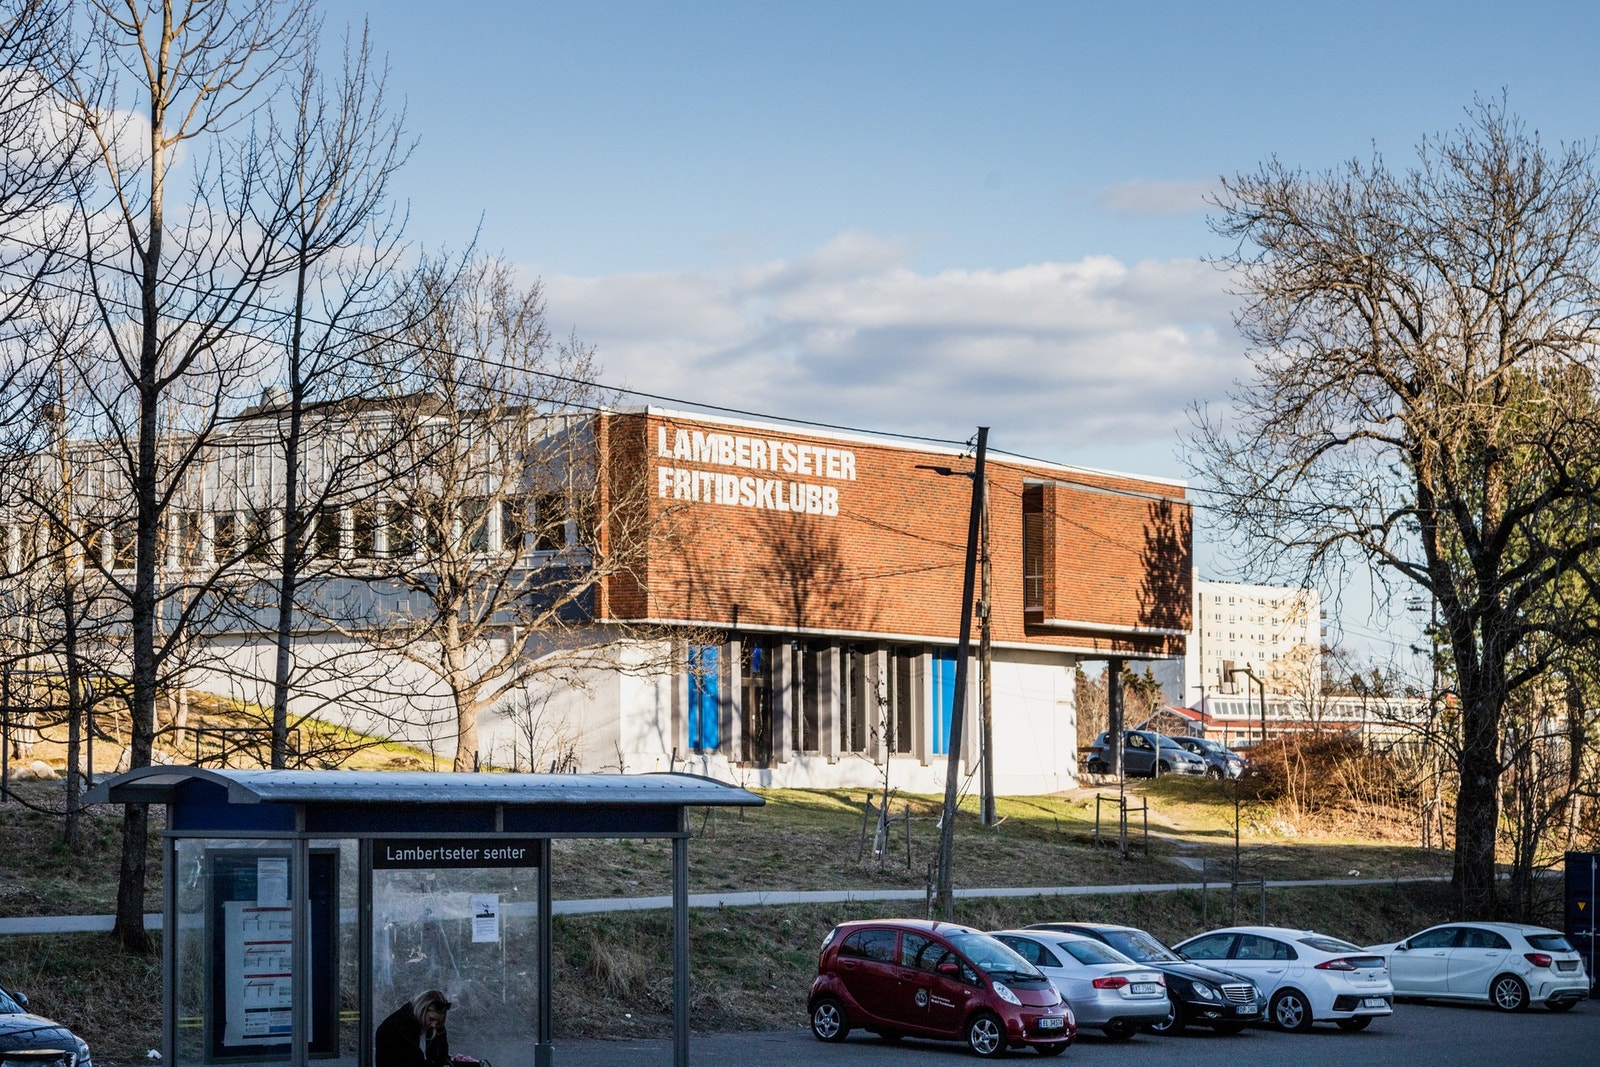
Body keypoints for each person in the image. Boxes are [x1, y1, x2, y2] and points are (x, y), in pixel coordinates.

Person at [375, 989, 452, 1067]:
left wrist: (445, 1063)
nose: (434, 1025)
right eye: (431, 1019)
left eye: (438, 1022)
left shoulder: (435, 1028)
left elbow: (442, 1055)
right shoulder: (393, 1028)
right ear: (422, 1009)